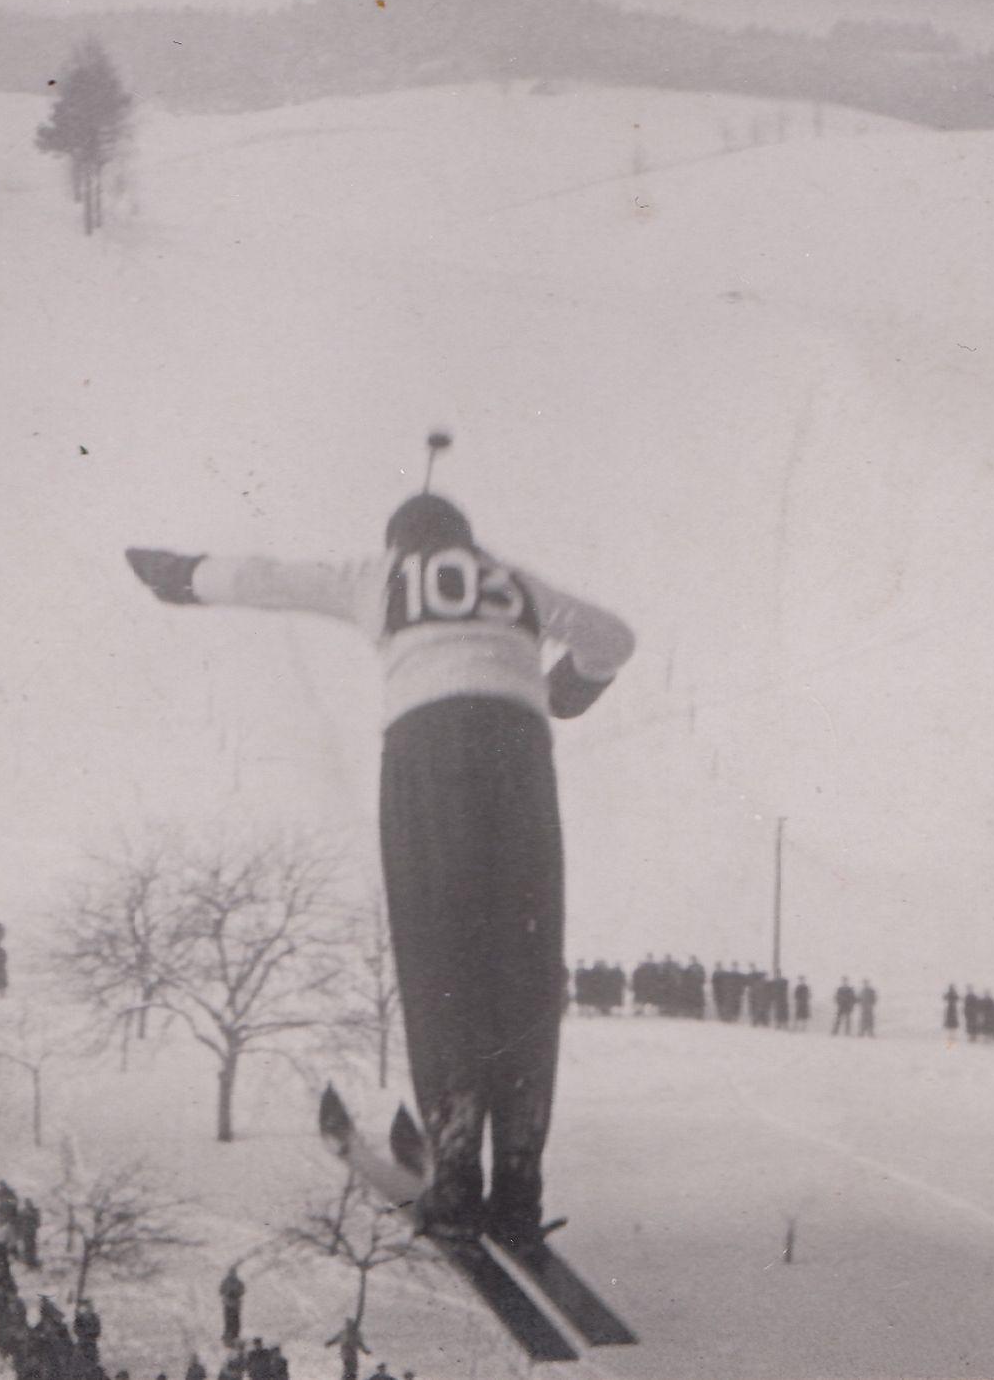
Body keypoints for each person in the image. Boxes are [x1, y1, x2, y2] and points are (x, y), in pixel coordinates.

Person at [127, 483, 633, 1244]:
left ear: (403, 541)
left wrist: (179, 575)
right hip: (521, 754)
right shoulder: (519, 584)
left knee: (441, 950)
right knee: (524, 951)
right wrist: (567, 690)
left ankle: (456, 1170)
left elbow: (267, 579)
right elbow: (613, 638)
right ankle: (520, 1177)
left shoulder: (382, 576)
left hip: (428, 750)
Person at [220, 1264, 246, 1344]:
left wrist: (235, 1294)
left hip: (233, 1304)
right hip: (230, 1303)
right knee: (230, 1319)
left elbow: (242, 1290)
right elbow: (221, 1291)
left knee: (234, 1319)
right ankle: (230, 1334)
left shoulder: (236, 1282)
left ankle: (234, 1334)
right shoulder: (228, 1281)